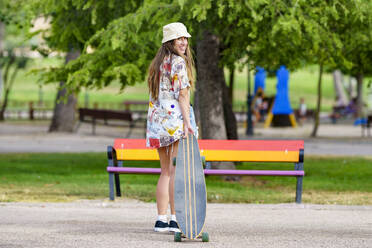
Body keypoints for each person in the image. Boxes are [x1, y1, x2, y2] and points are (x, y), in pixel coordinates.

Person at [146, 22, 198, 233]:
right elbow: (183, 94)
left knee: (165, 171)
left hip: (157, 121)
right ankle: (176, 219)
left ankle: (161, 219)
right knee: (175, 171)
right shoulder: (178, 62)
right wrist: (187, 122)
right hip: (174, 120)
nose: (184, 42)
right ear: (170, 41)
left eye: (185, 38)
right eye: (179, 38)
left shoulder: (158, 63)